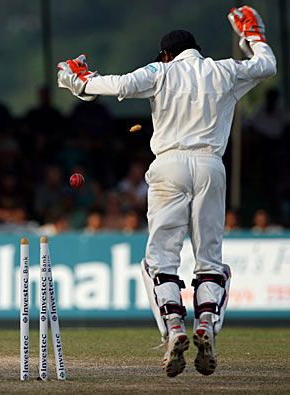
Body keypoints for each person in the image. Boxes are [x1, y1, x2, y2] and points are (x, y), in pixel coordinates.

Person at [57, 5, 276, 377]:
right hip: (210, 165)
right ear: (197, 49)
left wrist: (80, 81)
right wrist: (252, 36)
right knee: (209, 260)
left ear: (166, 54)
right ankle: (205, 326)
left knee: (160, 261)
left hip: (169, 166)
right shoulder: (222, 70)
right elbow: (266, 66)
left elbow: (120, 85)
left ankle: (175, 328)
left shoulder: (160, 71)